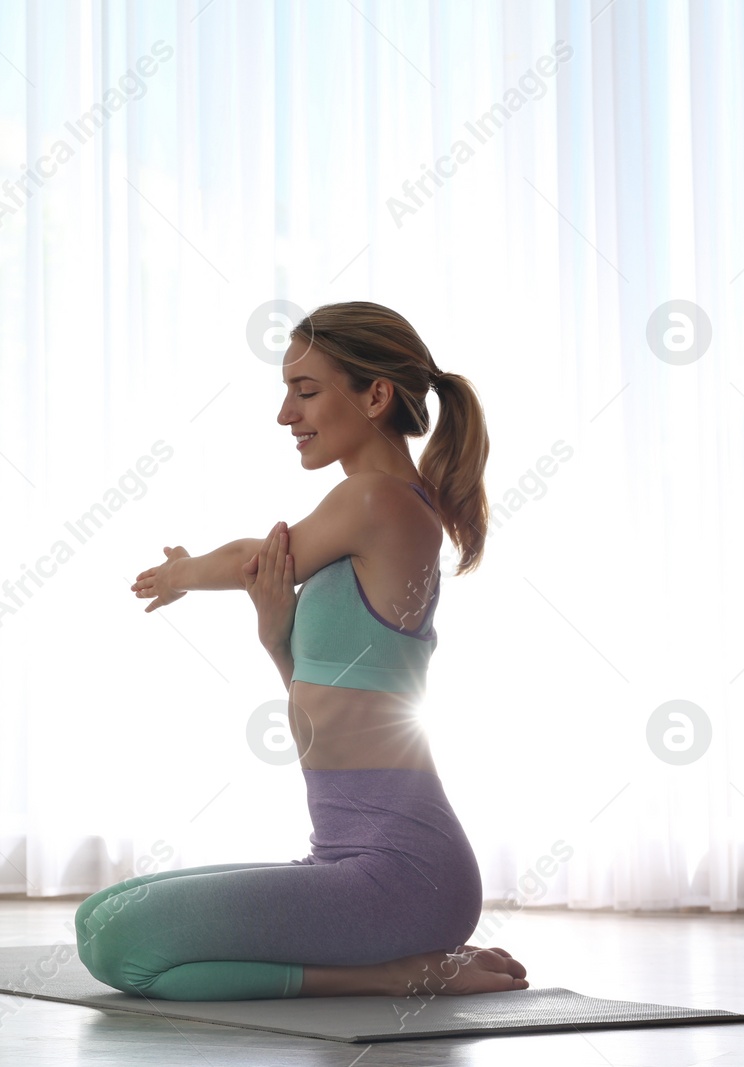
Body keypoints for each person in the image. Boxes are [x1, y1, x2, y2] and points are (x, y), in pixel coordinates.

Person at [74, 300, 527, 1002]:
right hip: (352, 861)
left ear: (375, 395)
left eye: (306, 390)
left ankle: (397, 971)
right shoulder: (368, 511)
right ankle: (400, 960)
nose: (286, 414)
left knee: (122, 945)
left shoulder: (377, 500)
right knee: (99, 917)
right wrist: (275, 639)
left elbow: (259, 555)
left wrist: (185, 571)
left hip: (403, 871)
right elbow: (331, 709)